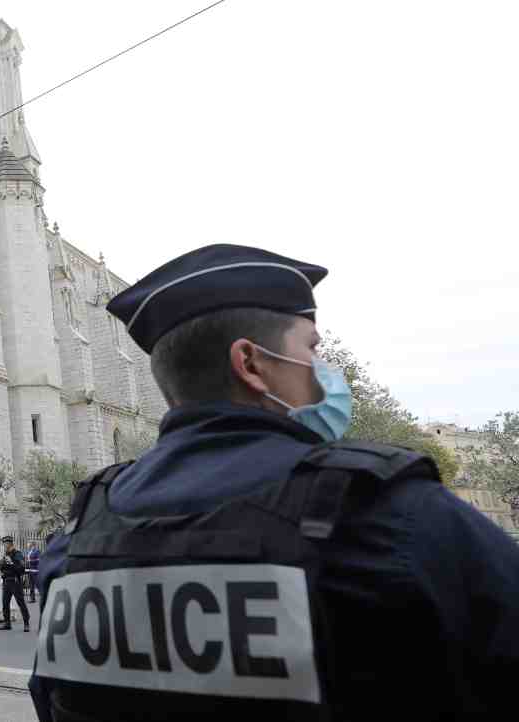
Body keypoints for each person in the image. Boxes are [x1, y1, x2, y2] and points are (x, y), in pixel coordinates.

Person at [29, 244, 519, 721]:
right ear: (251, 364)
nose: (326, 371)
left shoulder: (71, 548)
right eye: (311, 347)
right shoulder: (395, 517)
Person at [0, 536, 30, 632]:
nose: (4, 545)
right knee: (5, 603)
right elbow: (1, 567)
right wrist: (3, 565)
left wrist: (11, 563)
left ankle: (26, 623)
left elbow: (22, 569)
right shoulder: (5, 554)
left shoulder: (17, 554)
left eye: (5, 543)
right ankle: (7, 623)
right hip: (6, 582)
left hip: (15, 582)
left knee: (21, 603)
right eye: (3, 543)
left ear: (10, 543)